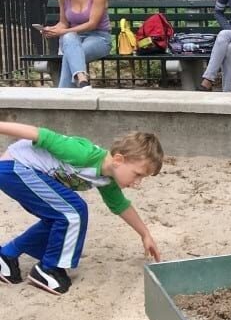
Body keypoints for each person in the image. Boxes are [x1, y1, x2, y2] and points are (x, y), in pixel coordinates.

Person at [0, 123, 162, 295]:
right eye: (137, 174)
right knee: (74, 211)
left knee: (60, 218)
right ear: (118, 160)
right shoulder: (83, 154)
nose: (138, 183)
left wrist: (145, 234)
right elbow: (41, 135)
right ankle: (48, 269)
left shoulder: (107, 179)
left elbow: (121, 206)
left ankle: (7, 257)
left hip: (21, 171)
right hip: (15, 167)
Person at [42, 0, 112, 89]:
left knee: (71, 55)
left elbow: (92, 24)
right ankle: (82, 80)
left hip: (99, 38)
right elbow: (63, 23)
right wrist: (52, 30)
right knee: (69, 39)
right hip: (73, 39)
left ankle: (63, 97)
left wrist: (64, 31)